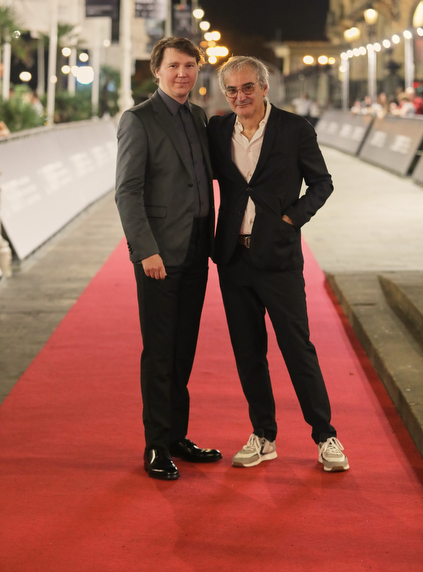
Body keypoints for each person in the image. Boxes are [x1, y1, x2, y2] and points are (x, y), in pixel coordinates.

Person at [207, 56, 349, 473]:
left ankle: (325, 436)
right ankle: (263, 435)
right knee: (248, 351)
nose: (240, 97)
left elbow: (322, 183)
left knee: (297, 348)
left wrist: (292, 218)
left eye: (247, 87)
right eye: (232, 90)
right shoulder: (218, 130)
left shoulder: (294, 129)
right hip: (234, 258)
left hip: (280, 258)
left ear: (264, 87)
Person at [115, 36, 222, 481]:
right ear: (157, 70)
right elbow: (127, 192)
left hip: (197, 250)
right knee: (160, 353)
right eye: (174, 65)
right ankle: (156, 445)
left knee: (183, 351)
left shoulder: (198, 117)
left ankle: (177, 435)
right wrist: (146, 251)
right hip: (159, 256)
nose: (182, 73)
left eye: (190, 65)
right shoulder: (138, 120)